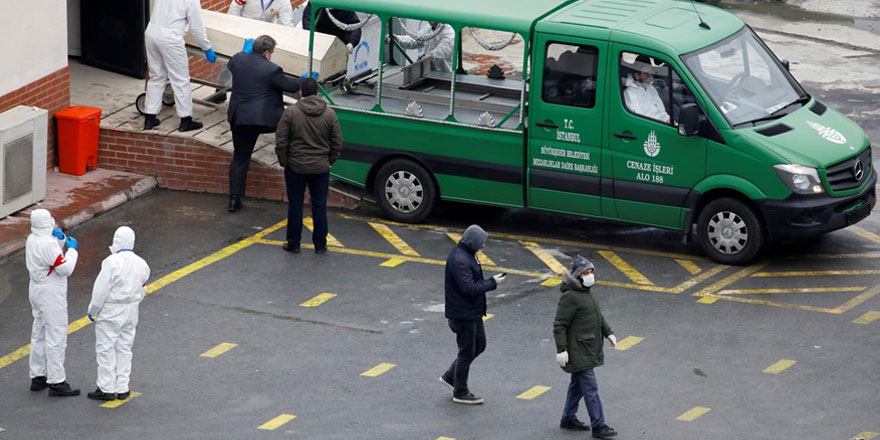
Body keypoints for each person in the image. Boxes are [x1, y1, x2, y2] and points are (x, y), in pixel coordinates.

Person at [226, 35, 301, 212]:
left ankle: (234, 199)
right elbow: (291, 86)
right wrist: (305, 80)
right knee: (289, 133)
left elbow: (232, 63)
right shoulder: (272, 70)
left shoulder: (237, 59)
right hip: (263, 121)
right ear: (267, 53)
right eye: (272, 53)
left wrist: (242, 52)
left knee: (240, 158)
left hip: (239, 118)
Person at [553, 256, 618, 439]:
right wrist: (561, 349)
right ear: (578, 276)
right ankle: (599, 425)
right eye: (586, 273)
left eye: (591, 272)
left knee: (577, 386)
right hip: (578, 350)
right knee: (590, 388)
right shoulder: (570, 297)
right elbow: (559, 325)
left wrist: (608, 332)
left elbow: (598, 316)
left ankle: (568, 417)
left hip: (587, 348)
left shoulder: (587, 292)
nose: (590, 276)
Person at [275, 77, 342, 253]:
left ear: (301, 92)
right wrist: (329, 161)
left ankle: (293, 243)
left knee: (295, 204)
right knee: (319, 205)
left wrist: (284, 162)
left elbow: (281, 140)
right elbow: (337, 142)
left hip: (296, 167)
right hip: (321, 168)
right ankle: (320, 244)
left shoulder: (291, 112)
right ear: (318, 93)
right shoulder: (329, 114)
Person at [440, 225, 505, 405]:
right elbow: (469, 288)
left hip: (471, 312)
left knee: (479, 345)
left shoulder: (466, 254)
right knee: (467, 352)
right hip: (463, 314)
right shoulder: (460, 260)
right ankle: (460, 391)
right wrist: (492, 282)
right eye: (482, 242)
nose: (484, 246)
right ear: (474, 242)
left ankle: (450, 376)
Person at [85, 226, 151, 401]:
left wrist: (93, 310)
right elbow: (143, 286)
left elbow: (101, 290)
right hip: (131, 310)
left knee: (106, 348)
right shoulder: (142, 263)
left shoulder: (111, 262)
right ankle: (123, 387)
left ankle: (106, 388)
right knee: (124, 348)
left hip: (112, 310)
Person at [25, 209, 80, 397]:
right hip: (50, 293)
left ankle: (37, 376)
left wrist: (61, 241)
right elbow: (65, 268)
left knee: (38, 333)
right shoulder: (48, 243)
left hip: (36, 289)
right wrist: (72, 250)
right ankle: (57, 381)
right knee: (56, 335)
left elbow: (49, 257)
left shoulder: (32, 239)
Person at [143, 0, 215, 132]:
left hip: (152, 33)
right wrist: (207, 47)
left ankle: (149, 117)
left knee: (156, 76)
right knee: (180, 80)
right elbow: (197, 28)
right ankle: (186, 120)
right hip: (171, 39)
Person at [211, 0, 298, 99]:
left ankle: (256, 93)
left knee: (262, 66)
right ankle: (221, 90)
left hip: (264, 35)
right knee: (230, 62)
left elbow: (287, 23)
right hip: (243, 30)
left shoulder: (283, 1)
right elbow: (234, 11)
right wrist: (233, 31)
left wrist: (291, 42)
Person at [623, 55, 670, 123]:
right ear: (637, 76)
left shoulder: (651, 88)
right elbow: (640, 119)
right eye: (646, 74)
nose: (650, 76)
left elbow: (662, 111)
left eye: (650, 73)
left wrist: (670, 122)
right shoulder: (629, 93)